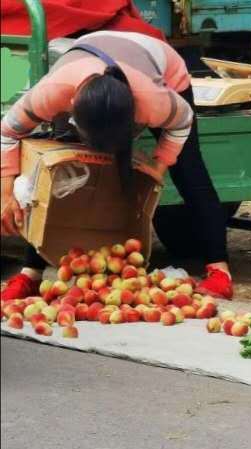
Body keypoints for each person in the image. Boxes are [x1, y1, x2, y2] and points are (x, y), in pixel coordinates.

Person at [0, 30, 233, 300]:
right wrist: (5, 192)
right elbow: (7, 132)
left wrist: (159, 166)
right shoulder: (53, 93)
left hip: (161, 68)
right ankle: (31, 273)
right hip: (86, 59)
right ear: (72, 107)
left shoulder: (153, 101)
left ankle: (220, 269)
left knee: (190, 172)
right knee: (59, 178)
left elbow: (183, 122)